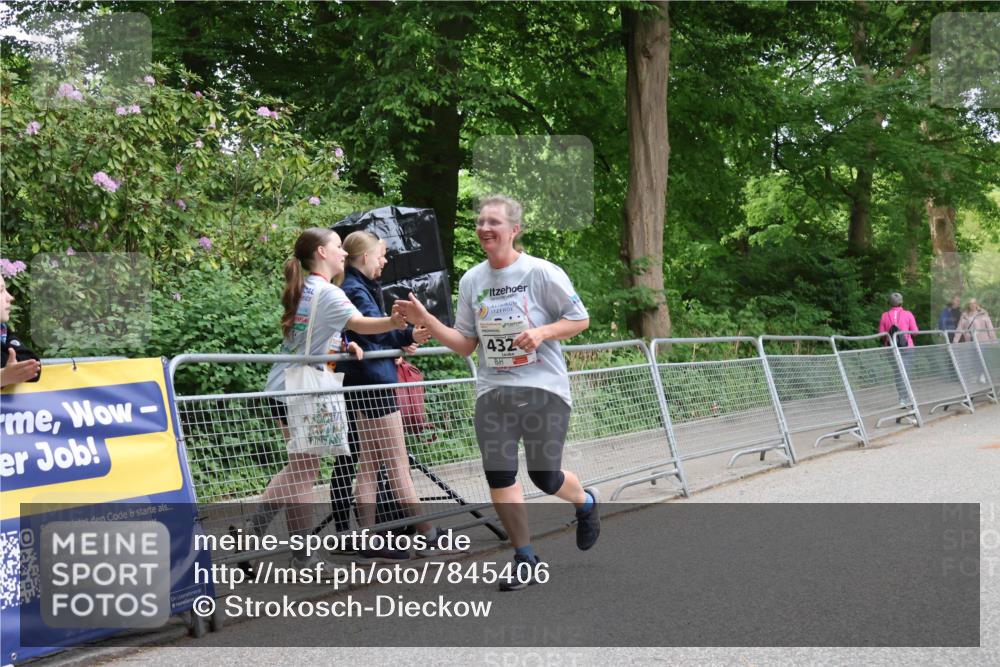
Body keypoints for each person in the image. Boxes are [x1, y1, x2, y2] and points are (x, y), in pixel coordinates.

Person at [394, 194, 599, 592]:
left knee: (544, 476)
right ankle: (525, 557)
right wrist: (428, 320)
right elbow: (466, 344)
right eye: (481, 222)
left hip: (543, 389)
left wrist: (542, 332)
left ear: (514, 230)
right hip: (493, 392)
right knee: (501, 475)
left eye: (494, 222)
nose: (484, 228)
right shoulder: (473, 280)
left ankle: (585, 502)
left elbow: (580, 319)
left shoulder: (541, 272)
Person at [253, 228, 407, 572]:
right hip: (301, 389)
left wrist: (343, 345)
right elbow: (360, 323)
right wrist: (394, 321)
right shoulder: (327, 292)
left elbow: (313, 336)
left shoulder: (308, 288)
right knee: (304, 473)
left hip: (286, 386)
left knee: (299, 469)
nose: (343, 253)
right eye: (338, 247)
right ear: (322, 252)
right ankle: (299, 555)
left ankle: (255, 535)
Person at [338, 230, 462, 561]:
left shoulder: (354, 287)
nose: (385, 260)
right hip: (375, 382)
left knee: (370, 462)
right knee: (396, 462)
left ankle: (366, 539)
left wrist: (403, 337)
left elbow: (376, 334)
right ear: (364, 257)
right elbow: (373, 332)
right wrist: (405, 333)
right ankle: (428, 535)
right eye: (381, 255)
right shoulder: (354, 289)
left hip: (362, 381)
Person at [0, 274, 42, 389]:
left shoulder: (3, 332)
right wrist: (3, 377)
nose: (10, 297)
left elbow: (34, 367)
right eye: (1, 291)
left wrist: (9, 372)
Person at [878, 292, 919, 405]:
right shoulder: (908, 314)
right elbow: (915, 332)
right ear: (901, 302)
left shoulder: (884, 315)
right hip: (907, 347)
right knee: (905, 373)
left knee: (898, 373)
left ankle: (902, 397)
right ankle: (904, 398)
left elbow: (881, 334)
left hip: (891, 348)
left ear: (889, 303)